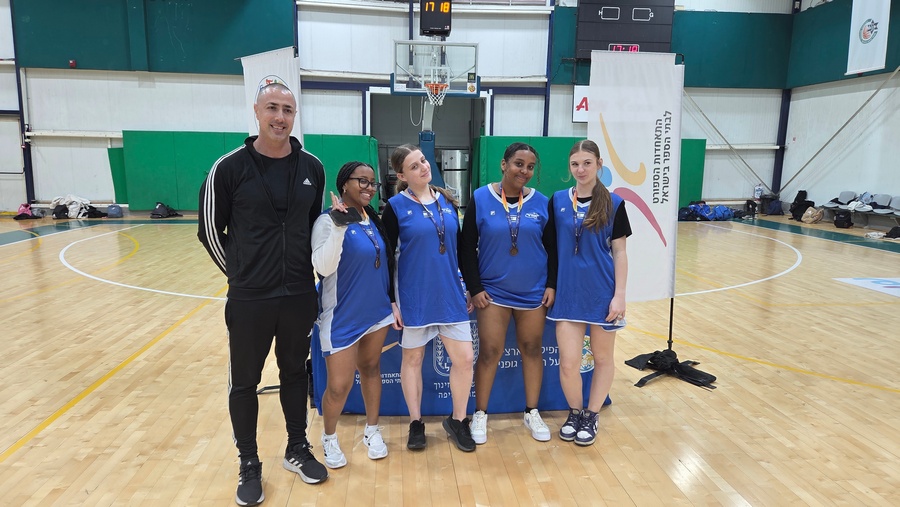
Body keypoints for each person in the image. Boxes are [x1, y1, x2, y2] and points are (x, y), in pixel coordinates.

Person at [198, 82, 328, 506]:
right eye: (272, 107)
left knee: (294, 374)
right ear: (256, 111)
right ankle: (249, 462)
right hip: (250, 297)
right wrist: (241, 275)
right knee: (245, 382)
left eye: (288, 110)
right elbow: (209, 230)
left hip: (298, 294)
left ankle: (296, 448)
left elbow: (312, 227)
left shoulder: (312, 167)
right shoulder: (228, 168)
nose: (280, 117)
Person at [459, 142, 557, 444]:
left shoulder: (542, 202)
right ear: (504, 164)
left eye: (530, 167)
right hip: (493, 293)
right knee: (489, 352)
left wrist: (551, 284)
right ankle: (480, 413)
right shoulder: (480, 197)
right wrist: (475, 288)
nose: (524, 171)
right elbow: (466, 247)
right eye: (518, 164)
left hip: (533, 293)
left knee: (532, 348)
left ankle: (531, 411)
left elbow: (554, 249)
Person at [381, 144, 476, 453]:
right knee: (413, 360)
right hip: (415, 296)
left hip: (450, 294)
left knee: (464, 359)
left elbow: (460, 249)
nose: (423, 167)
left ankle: (458, 420)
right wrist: (391, 301)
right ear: (401, 176)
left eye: (423, 160)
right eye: (414, 165)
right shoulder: (395, 207)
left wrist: (470, 286)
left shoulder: (447, 200)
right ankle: (416, 422)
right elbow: (387, 258)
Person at [311, 161, 402, 469]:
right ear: (344, 184)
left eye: (372, 183)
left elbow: (385, 264)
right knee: (339, 386)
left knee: (372, 369)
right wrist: (339, 227)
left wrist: (391, 302)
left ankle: (372, 431)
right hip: (342, 316)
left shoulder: (371, 218)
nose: (369, 187)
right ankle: (329, 437)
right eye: (362, 181)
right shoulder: (327, 221)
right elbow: (323, 267)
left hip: (376, 312)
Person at [547, 139, 631, 447]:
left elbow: (620, 253)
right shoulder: (557, 200)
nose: (580, 169)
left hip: (601, 294)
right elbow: (550, 249)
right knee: (569, 363)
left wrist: (619, 295)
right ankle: (575, 412)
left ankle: (592, 415)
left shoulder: (615, 203)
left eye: (587, 163)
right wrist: (551, 285)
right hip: (568, 295)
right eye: (575, 164)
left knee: (603, 358)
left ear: (599, 165)